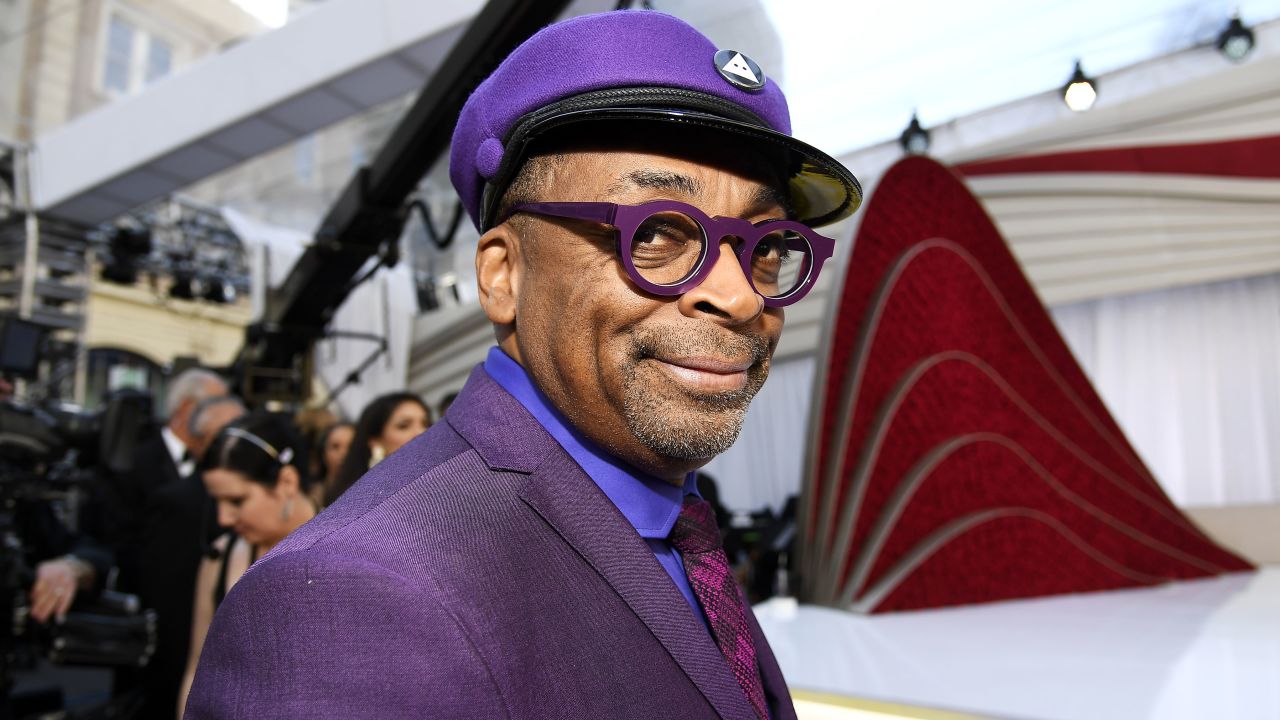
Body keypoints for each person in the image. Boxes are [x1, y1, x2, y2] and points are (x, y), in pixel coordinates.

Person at [188, 10, 860, 719]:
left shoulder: (674, 526)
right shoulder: (361, 597)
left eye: (765, 247)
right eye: (658, 232)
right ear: (503, 276)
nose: (738, 294)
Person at [178, 413, 316, 716]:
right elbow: (196, 671)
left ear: (287, 482)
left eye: (237, 501)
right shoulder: (220, 556)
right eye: (216, 501)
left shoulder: (343, 555)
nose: (223, 518)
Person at [324, 392, 430, 504]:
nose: (421, 432)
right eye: (404, 426)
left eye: (425, 424)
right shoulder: (357, 499)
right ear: (375, 441)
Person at [308, 420, 354, 507]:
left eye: (351, 447)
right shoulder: (312, 494)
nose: (344, 453)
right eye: (335, 446)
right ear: (323, 453)